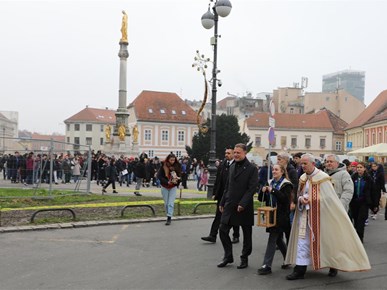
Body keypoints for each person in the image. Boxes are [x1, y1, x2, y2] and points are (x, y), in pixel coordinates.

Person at [285, 154, 370, 280]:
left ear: (312, 164)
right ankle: (300, 269)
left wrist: (338, 207)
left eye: (305, 164)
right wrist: (301, 199)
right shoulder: (303, 177)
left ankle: (333, 264)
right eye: (301, 164)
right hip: (305, 215)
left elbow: (330, 198)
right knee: (302, 241)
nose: (302, 166)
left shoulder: (323, 178)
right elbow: (299, 194)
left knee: (329, 240)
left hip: (324, 215)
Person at [217, 143, 258, 269]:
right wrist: (222, 202)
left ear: (245, 153)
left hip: (243, 206)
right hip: (230, 204)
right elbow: (227, 187)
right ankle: (228, 256)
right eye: (234, 152)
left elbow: (252, 189)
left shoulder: (252, 168)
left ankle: (244, 258)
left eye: (238, 153)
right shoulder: (232, 166)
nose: (235, 155)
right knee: (222, 229)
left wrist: (243, 203)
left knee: (246, 234)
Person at [257, 164, 292, 275]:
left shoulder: (286, 184)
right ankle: (288, 258)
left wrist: (272, 191)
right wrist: (262, 191)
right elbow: (260, 199)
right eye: (273, 169)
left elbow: (285, 200)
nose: (274, 171)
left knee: (273, 238)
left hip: (281, 215)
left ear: (282, 172)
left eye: (276, 169)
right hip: (270, 214)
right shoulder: (269, 182)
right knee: (277, 239)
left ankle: (266, 265)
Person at [201, 147, 240, 244]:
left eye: (229, 153)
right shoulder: (222, 164)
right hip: (222, 195)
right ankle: (212, 235)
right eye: (226, 153)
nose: (226, 155)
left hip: (232, 195)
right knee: (218, 216)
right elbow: (218, 180)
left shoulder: (237, 165)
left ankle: (236, 235)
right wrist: (215, 193)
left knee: (234, 216)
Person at [350, 162, 374, 242]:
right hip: (354, 202)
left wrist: (374, 204)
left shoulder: (368, 178)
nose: (359, 169)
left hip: (364, 202)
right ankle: (356, 236)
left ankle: (360, 238)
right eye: (358, 167)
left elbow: (372, 191)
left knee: (361, 220)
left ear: (364, 168)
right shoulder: (353, 177)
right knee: (356, 220)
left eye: (361, 167)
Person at [157, 153, 181, 225]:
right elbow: (159, 176)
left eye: (173, 160)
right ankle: (168, 214)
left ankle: (169, 217)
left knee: (171, 203)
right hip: (165, 186)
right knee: (166, 203)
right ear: (168, 159)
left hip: (173, 186)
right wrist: (167, 182)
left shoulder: (177, 166)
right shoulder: (163, 166)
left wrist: (178, 179)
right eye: (171, 160)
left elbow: (180, 175)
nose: (172, 161)